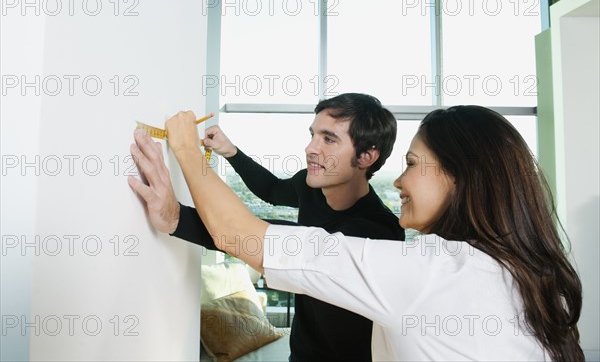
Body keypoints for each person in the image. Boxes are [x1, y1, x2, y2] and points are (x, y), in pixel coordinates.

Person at [129, 105, 584, 362]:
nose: (401, 182)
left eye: (410, 164)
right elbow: (267, 209)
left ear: (460, 177)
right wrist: (178, 213)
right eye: (313, 134)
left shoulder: (422, 266)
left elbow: (245, 235)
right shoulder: (527, 275)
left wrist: (187, 148)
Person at [133, 93, 405, 362]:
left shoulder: (377, 232)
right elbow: (272, 190)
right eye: (312, 135)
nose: (311, 148)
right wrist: (232, 152)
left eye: (329, 139)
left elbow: (252, 238)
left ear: (366, 156)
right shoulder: (312, 187)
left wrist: (186, 156)